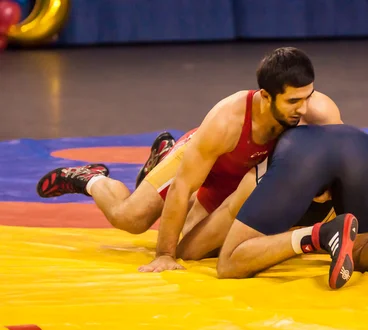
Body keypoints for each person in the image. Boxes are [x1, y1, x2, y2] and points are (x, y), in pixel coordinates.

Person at [36, 47, 343, 240]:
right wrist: (165, 257)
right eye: (293, 101)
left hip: (243, 178)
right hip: (207, 160)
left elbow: (344, 161)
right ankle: (92, 179)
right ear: (266, 96)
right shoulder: (227, 120)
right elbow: (183, 187)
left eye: (308, 97)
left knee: (193, 243)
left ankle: (158, 161)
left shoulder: (320, 112)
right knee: (132, 220)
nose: (303, 108)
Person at [140, 124, 368, 289]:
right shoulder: (314, 116)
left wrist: (175, 250)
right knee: (363, 253)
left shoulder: (253, 166)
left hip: (301, 165)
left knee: (229, 262)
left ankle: (318, 235)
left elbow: (206, 245)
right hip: (362, 148)